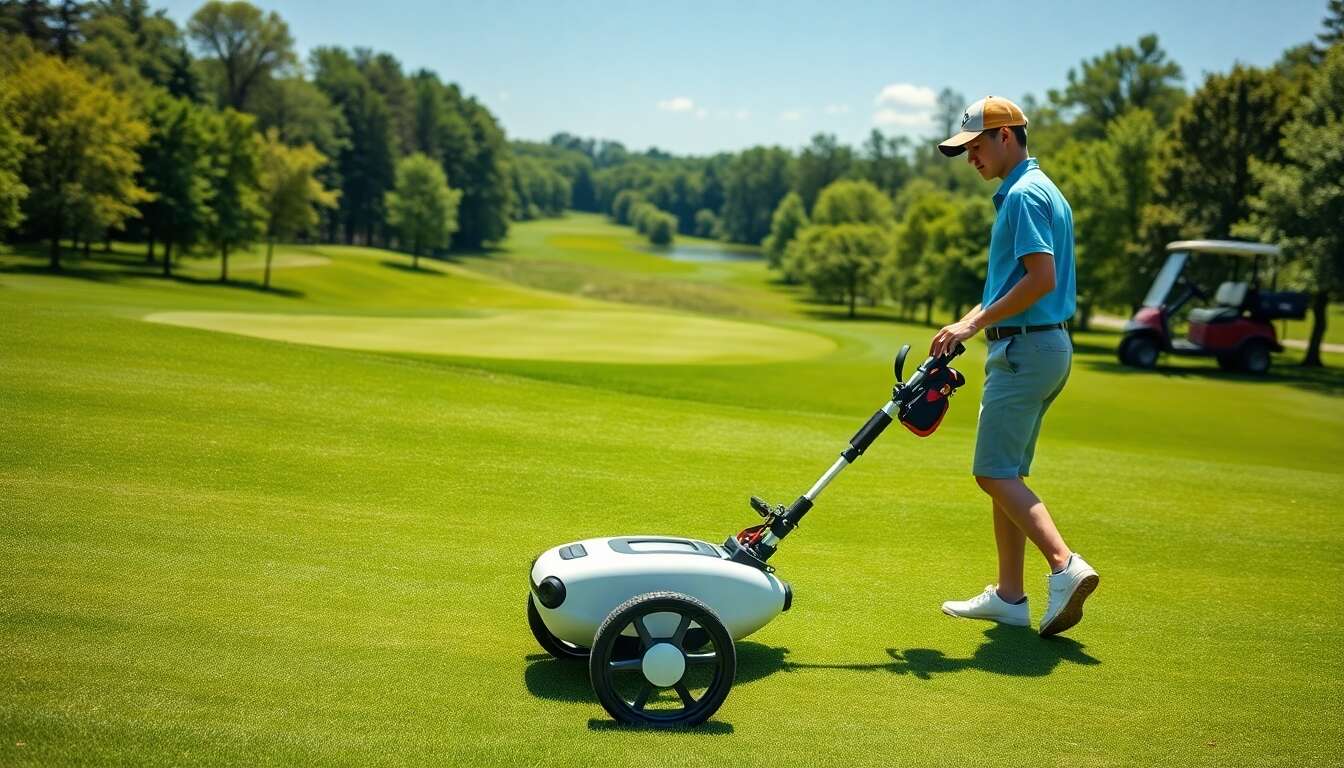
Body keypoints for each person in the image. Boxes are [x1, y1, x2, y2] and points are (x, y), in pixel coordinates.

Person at [928, 96, 1098, 637]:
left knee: (992, 472)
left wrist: (974, 327)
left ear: (1006, 137)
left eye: (976, 147)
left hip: (1025, 349)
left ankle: (1064, 566)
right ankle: (1009, 595)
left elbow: (1039, 279)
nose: (971, 158)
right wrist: (967, 321)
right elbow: (1013, 284)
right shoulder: (1039, 189)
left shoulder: (1023, 196)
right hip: (1040, 347)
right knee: (1007, 473)